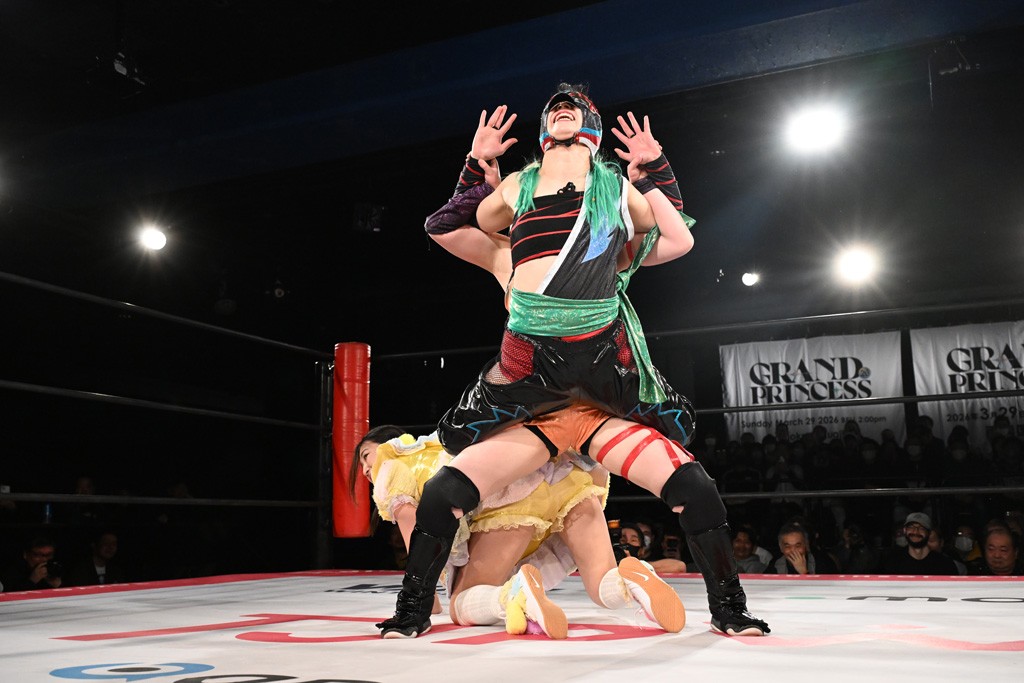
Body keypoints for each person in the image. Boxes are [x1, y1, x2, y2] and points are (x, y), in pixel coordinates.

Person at [380, 83, 768, 638]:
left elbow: (675, 234)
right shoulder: (506, 246)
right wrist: (477, 165)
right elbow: (445, 226)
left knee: (695, 486)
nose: (563, 106)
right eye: (554, 107)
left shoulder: (614, 213)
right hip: (533, 401)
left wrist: (653, 170)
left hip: (596, 397)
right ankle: (411, 610)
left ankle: (729, 608)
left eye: (575, 106)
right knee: (445, 490)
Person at [354, 424, 685, 639]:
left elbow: (417, 533)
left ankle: (514, 595)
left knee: (462, 602)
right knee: (602, 584)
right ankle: (632, 579)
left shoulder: (391, 465)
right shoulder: (445, 444)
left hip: (515, 493)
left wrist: (421, 600)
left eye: (366, 456)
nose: (366, 469)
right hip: (573, 478)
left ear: (389, 444)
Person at [881, 513, 958, 575]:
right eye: (911, 527)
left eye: (921, 528)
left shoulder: (944, 564)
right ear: (904, 530)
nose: (915, 531)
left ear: (929, 533)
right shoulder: (892, 562)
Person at [768, 522, 837, 575]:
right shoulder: (775, 565)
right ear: (781, 548)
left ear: (806, 545)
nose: (793, 551)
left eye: (798, 546)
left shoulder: (822, 562)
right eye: (788, 546)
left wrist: (804, 572)